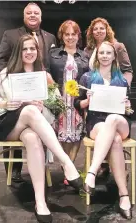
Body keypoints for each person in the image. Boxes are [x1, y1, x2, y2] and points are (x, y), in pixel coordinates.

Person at [0, 34, 83, 223]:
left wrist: (46, 104)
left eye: (32, 48)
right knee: (31, 110)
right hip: (9, 125)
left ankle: (40, 202)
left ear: (37, 51)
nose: (29, 52)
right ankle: (66, 162)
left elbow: (58, 105)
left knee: (33, 137)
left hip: (32, 124)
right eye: (25, 49)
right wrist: (4, 103)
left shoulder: (44, 76)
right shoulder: (7, 73)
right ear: (19, 51)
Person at [0, 2, 57, 182]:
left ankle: (40, 167)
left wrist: (48, 86)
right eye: (29, 13)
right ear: (24, 16)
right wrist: (15, 81)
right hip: (15, 93)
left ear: (41, 16)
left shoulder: (50, 37)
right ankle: (13, 171)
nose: (32, 15)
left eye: (36, 13)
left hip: (40, 94)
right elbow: (0, 61)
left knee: (34, 129)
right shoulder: (11, 34)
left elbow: (49, 66)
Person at [74, 41, 132, 220]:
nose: (105, 56)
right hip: (96, 122)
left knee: (113, 118)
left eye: (108, 53)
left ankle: (91, 172)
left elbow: (128, 109)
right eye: (102, 53)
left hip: (120, 121)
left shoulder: (122, 79)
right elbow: (78, 104)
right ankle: (124, 196)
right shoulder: (87, 78)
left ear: (114, 56)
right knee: (114, 140)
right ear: (96, 56)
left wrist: (128, 105)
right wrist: (86, 102)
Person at [84, 17, 133, 177]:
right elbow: (87, 76)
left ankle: (94, 170)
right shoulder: (88, 50)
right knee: (115, 139)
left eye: (101, 28)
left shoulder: (118, 46)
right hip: (96, 104)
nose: (98, 31)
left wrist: (121, 91)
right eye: (95, 29)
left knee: (112, 120)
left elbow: (127, 70)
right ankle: (119, 184)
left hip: (115, 97)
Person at [49, 20, 89, 185]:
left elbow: (88, 80)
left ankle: (69, 168)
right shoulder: (53, 55)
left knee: (77, 133)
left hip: (78, 101)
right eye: (67, 34)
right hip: (60, 99)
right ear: (62, 36)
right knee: (62, 135)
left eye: (74, 34)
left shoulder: (85, 56)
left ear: (78, 36)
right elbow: (46, 73)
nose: (70, 37)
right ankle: (68, 168)